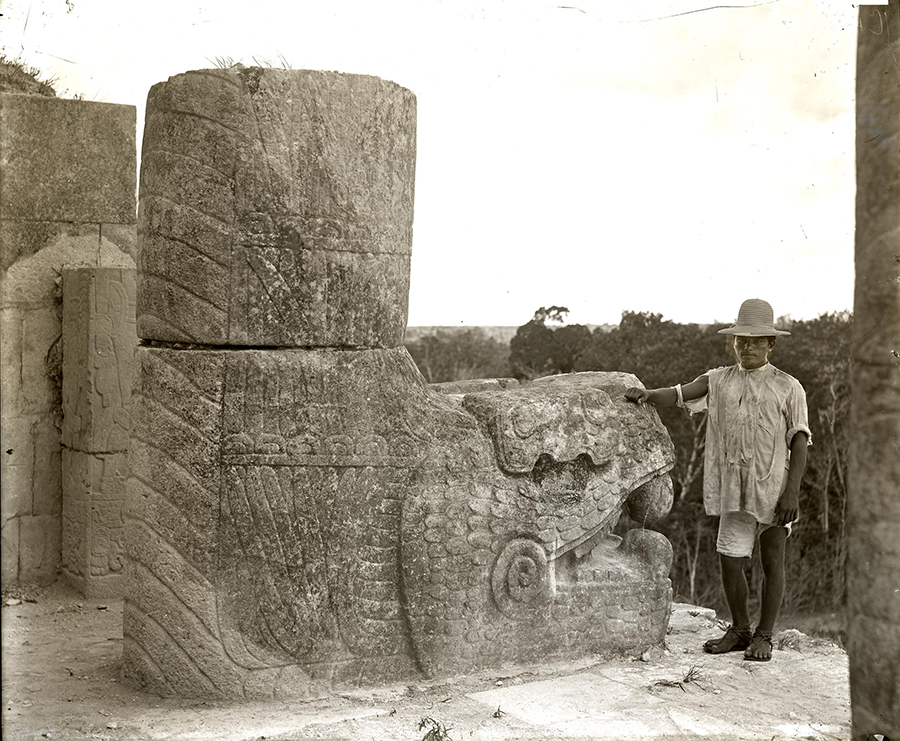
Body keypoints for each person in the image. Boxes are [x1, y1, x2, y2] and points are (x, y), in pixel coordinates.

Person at [624, 298, 811, 661]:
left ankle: (765, 635)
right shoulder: (719, 379)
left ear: (771, 344)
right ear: (734, 341)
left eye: (757, 341)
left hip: (774, 487)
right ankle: (740, 629)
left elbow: (800, 441)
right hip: (735, 489)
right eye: (742, 339)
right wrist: (647, 395)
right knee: (730, 558)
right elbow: (679, 394)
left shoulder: (789, 387)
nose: (748, 346)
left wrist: (792, 493)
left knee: (772, 560)